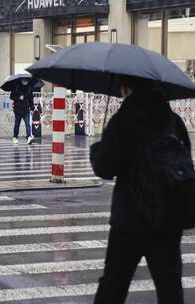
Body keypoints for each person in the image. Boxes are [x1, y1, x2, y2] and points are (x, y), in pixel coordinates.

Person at [91, 76, 190, 304]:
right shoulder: (173, 121)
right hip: (167, 216)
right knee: (169, 285)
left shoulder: (123, 119)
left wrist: (97, 149)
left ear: (127, 88)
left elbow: (105, 168)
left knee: (114, 284)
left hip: (130, 218)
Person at [10, 79, 35, 144]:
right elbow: (11, 96)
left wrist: (32, 109)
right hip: (17, 109)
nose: (25, 82)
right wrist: (18, 97)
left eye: (26, 80)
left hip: (26, 110)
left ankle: (29, 137)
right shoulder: (16, 87)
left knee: (27, 124)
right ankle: (15, 137)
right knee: (17, 124)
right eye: (24, 80)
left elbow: (31, 99)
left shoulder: (29, 88)